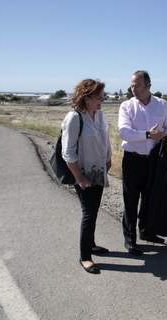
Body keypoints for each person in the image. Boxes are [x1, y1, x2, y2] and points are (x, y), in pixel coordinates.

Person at [118, 70, 167, 255]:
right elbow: (125, 132)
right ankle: (130, 240)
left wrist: (164, 135)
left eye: (137, 85)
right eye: (132, 85)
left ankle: (147, 232)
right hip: (132, 160)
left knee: (151, 198)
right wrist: (148, 134)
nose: (133, 88)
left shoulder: (162, 105)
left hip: (153, 160)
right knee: (131, 201)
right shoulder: (126, 106)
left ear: (148, 85)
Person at [62, 79, 112, 274]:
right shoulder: (75, 117)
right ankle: (85, 257)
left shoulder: (99, 115)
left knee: (94, 210)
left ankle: (91, 245)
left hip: (99, 171)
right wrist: (80, 178)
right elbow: (68, 153)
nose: (102, 100)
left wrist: (108, 158)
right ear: (87, 97)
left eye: (103, 96)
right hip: (84, 174)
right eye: (99, 97)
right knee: (89, 213)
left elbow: (105, 138)